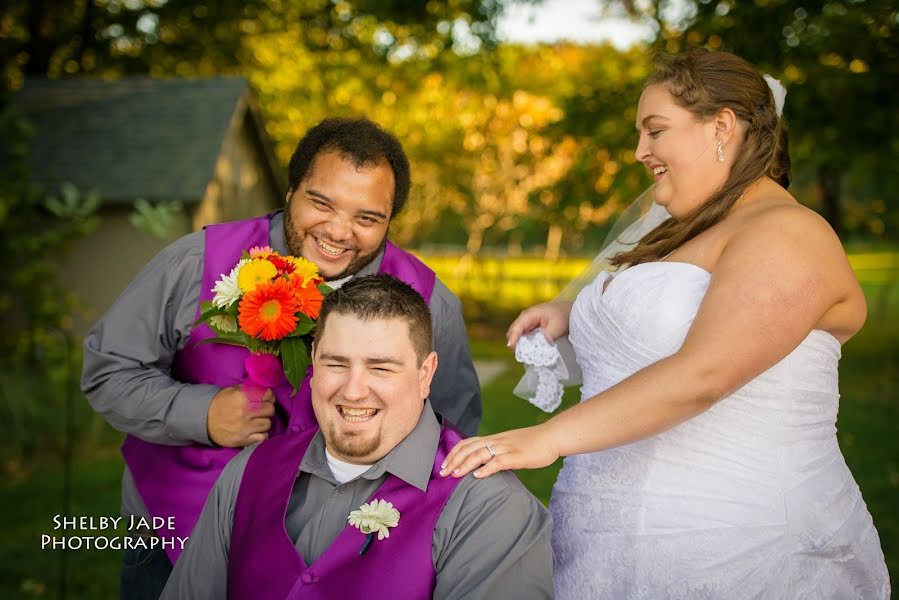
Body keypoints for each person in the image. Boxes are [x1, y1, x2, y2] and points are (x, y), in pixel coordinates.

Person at [442, 49, 891, 598]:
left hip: (737, 548)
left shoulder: (789, 231)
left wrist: (546, 438)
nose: (639, 152)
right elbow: (662, 329)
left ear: (721, 126)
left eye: (655, 131)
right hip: (605, 543)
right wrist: (577, 314)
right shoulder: (694, 233)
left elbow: (706, 373)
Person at [81, 118, 481, 598]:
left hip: (341, 559)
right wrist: (203, 414)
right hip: (174, 537)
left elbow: (452, 432)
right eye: (320, 202)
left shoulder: (431, 301)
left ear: (390, 220)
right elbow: (108, 370)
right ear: (290, 191)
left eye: (367, 217)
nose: (338, 231)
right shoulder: (195, 261)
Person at [159, 274, 553, 600]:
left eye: (380, 368)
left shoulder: (489, 506)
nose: (352, 390)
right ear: (313, 361)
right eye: (335, 363)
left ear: (425, 374)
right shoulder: (249, 471)